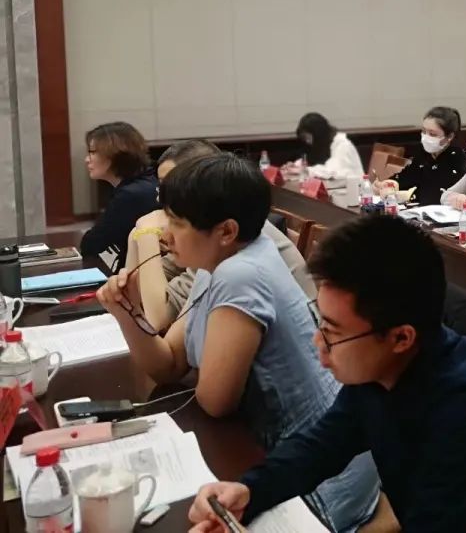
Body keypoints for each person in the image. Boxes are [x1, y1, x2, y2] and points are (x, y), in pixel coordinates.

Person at [187, 216, 466, 533]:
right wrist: (249, 491)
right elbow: (323, 445)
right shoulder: (381, 368)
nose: (318, 343)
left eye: (332, 332)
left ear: (401, 338)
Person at [97, 155, 380, 531]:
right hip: (275, 456)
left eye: (177, 223)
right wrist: (126, 313)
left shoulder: (240, 274)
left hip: (317, 476)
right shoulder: (218, 262)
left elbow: (216, 401)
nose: (164, 234)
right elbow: (169, 364)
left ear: (226, 231)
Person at [126, 139, 315, 331]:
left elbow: (158, 318)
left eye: (173, 185)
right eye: (161, 186)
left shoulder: (232, 247)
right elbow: (137, 294)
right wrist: (136, 236)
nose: (161, 198)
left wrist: (147, 234)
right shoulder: (205, 237)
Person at [80, 122, 159, 263]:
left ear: (115, 154)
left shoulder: (131, 195)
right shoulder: (143, 183)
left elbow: (91, 245)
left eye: (93, 153)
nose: (87, 160)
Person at [379, 107, 466, 206]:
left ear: (450, 137)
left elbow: (435, 195)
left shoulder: (457, 159)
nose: (426, 137)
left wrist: (407, 196)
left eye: (432, 134)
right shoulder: (425, 153)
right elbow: (407, 176)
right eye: (423, 131)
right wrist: (390, 184)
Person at [293, 113, 364, 179]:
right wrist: (295, 166)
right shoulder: (324, 144)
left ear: (317, 133)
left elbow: (331, 171)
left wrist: (306, 170)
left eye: (307, 137)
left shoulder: (342, 145)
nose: (307, 141)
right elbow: (313, 161)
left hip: (354, 186)